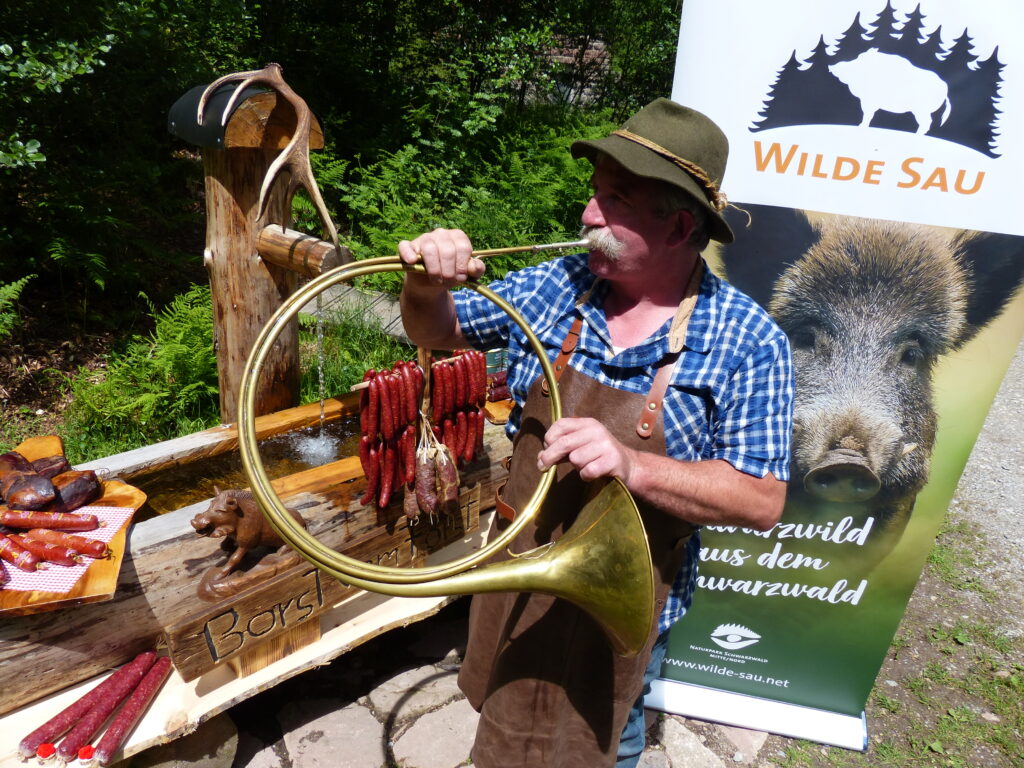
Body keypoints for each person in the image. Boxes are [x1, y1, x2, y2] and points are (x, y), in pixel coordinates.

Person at [397, 98, 793, 768]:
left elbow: (761, 500)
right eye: (595, 193)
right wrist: (423, 284)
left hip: (628, 596)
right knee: (503, 703)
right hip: (520, 565)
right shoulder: (565, 283)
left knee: (611, 729)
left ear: (677, 226)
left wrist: (633, 467)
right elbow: (435, 329)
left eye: (616, 200)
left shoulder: (749, 340)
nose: (587, 215)